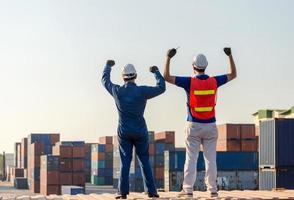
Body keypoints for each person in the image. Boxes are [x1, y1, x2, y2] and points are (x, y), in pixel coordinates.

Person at [163, 47, 237, 198]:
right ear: (206, 66)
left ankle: (188, 189)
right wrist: (230, 55)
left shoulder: (189, 82)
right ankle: (213, 190)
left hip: (194, 125)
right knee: (211, 160)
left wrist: (168, 57)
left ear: (193, 67)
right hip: (210, 125)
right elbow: (233, 74)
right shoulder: (214, 81)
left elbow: (166, 77)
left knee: (191, 158)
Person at [101, 60, 165, 199]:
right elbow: (161, 88)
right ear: (135, 76)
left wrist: (108, 67)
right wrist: (156, 72)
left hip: (124, 132)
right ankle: (152, 192)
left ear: (123, 77)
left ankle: (122, 193)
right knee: (144, 161)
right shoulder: (142, 91)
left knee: (125, 162)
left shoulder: (117, 91)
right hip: (140, 131)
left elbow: (105, 81)